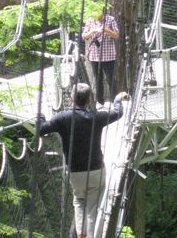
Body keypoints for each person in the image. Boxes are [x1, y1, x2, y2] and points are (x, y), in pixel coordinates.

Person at [38, 83, 128, 238]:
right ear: (89, 100)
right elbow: (117, 113)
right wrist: (117, 100)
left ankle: (80, 234)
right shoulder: (97, 117)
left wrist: (40, 116)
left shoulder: (63, 118)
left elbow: (40, 129)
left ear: (71, 98)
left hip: (75, 172)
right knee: (92, 209)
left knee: (79, 201)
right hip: (96, 170)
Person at [82, 12, 119, 106]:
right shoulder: (90, 20)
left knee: (111, 79)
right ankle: (99, 102)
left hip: (108, 55)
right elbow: (84, 36)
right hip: (94, 56)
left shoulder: (111, 19)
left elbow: (116, 35)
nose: (97, 16)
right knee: (97, 79)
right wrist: (92, 32)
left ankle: (115, 101)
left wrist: (106, 30)